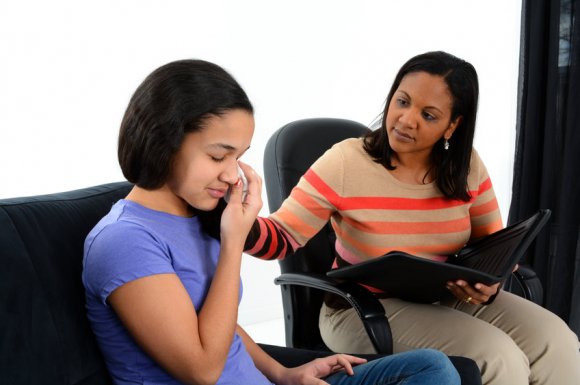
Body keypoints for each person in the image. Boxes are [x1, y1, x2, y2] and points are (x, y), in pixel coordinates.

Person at [81, 59, 461, 385]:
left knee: (431, 368)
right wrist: (233, 243)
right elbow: (202, 369)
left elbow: (217, 324)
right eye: (218, 157)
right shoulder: (125, 241)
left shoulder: (190, 214)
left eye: (238, 158)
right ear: (163, 142)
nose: (232, 176)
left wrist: (283, 373)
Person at [244, 51, 580, 385]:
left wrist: (488, 281)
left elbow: (491, 247)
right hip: (362, 309)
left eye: (429, 115)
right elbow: (280, 237)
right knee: (497, 357)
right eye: (402, 102)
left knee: (558, 342)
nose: (406, 120)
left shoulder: (467, 166)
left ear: (453, 125)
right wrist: (234, 219)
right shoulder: (346, 161)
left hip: (446, 297)